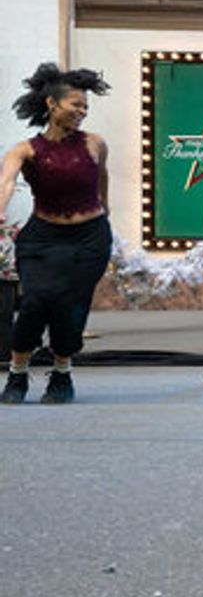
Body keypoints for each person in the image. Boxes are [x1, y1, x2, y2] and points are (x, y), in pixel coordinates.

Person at [0, 63, 113, 404]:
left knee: (68, 305)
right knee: (35, 301)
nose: (82, 111)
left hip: (89, 239)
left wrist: (105, 210)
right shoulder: (25, 149)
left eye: (85, 107)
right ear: (52, 103)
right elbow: (6, 181)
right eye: (76, 105)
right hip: (42, 239)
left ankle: (62, 375)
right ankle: (17, 375)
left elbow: (102, 177)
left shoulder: (95, 143)